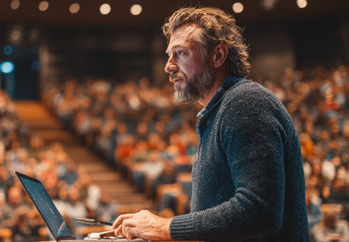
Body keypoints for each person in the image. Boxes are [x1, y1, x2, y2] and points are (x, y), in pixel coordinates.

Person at [112, 7, 310, 241]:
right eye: (169, 54)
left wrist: (167, 227)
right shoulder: (220, 112)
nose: (169, 66)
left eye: (181, 53)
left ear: (217, 56)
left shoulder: (245, 103)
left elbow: (260, 209)